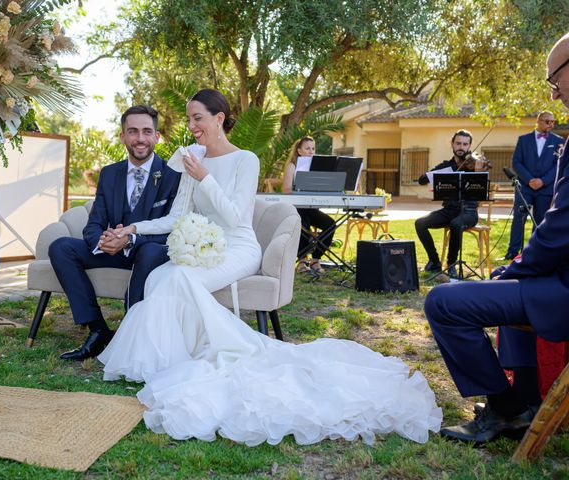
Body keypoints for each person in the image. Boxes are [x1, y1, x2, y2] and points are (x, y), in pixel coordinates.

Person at [98, 89, 442, 446]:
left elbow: (234, 216)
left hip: (238, 247)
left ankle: (228, 349)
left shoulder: (245, 160)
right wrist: (133, 228)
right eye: (189, 119)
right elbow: (177, 216)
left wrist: (205, 177)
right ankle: (172, 357)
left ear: (219, 118)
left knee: (181, 276)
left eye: (197, 118)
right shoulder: (190, 158)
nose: (192, 126)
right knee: (160, 275)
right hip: (204, 246)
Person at [424, 31, 569, 444]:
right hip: (552, 278)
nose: (554, 97)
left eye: (554, 81)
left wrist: (514, 269)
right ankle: (522, 403)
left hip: (561, 287)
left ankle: (506, 408)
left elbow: (561, 229)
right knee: (515, 287)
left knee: (442, 302)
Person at [48, 105, 181, 361]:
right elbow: (95, 221)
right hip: (113, 251)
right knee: (61, 247)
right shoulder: (110, 174)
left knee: (152, 250)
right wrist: (103, 241)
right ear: (122, 136)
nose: (140, 138)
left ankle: (132, 331)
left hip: (148, 252)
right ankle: (98, 330)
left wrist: (129, 239)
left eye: (146, 131)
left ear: (157, 136)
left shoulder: (173, 175)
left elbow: (171, 228)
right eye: (132, 131)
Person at [414, 130, 488, 276]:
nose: (461, 147)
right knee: (420, 223)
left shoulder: (477, 164)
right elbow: (422, 180)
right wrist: (435, 176)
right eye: (458, 143)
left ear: (470, 146)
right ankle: (434, 261)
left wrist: (478, 173)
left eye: (465, 144)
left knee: (456, 223)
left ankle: (452, 264)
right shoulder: (445, 166)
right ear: (452, 144)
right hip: (449, 210)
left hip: (469, 212)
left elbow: (480, 193)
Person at [504, 111, 564, 260]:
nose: (551, 124)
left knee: (540, 221)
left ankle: (534, 252)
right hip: (524, 186)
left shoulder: (558, 141)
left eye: (553, 122)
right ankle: (513, 251)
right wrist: (530, 179)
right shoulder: (523, 139)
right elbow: (516, 162)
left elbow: (558, 165)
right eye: (547, 121)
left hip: (545, 188)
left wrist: (543, 181)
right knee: (519, 219)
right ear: (538, 121)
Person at [282, 136, 337, 273]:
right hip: (296, 207)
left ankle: (315, 260)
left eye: (313, 149)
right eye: (307, 149)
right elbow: (287, 190)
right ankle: (301, 261)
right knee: (303, 222)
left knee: (330, 224)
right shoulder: (292, 165)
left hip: (311, 208)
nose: (311, 151)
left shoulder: (317, 167)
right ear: (299, 151)